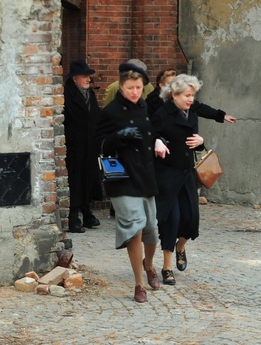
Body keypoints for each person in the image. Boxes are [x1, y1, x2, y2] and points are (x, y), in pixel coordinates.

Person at [95, 62, 161, 302]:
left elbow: (153, 131)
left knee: (151, 230)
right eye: (130, 87)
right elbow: (99, 145)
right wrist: (118, 137)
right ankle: (138, 284)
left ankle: (150, 265)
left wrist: (158, 141)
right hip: (121, 178)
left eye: (138, 87)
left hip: (145, 175)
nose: (134, 92)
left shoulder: (144, 106)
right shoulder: (111, 111)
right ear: (121, 87)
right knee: (134, 229)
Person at [151, 74, 205, 285]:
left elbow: (193, 142)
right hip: (167, 175)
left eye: (192, 95)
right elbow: (149, 134)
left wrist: (201, 141)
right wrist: (156, 141)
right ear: (174, 95)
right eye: (187, 95)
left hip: (187, 174)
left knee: (191, 220)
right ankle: (166, 267)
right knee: (170, 220)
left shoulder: (191, 114)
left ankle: (181, 246)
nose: (191, 100)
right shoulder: (162, 113)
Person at [63, 59, 103, 233]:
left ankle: (87, 212)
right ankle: (73, 217)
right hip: (74, 146)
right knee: (75, 180)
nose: (88, 79)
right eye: (85, 76)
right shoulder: (67, 95)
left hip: (89, 145)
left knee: (88, 178)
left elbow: (96, 117)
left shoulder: (90, 95)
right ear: (75, 79)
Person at [146, 69, 237, 124]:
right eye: (170, 83)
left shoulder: (185, 102)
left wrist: (221, 115)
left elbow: (200, 108)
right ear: (161, 85)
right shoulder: (153, 102)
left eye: (176, 83)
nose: (174, 86)